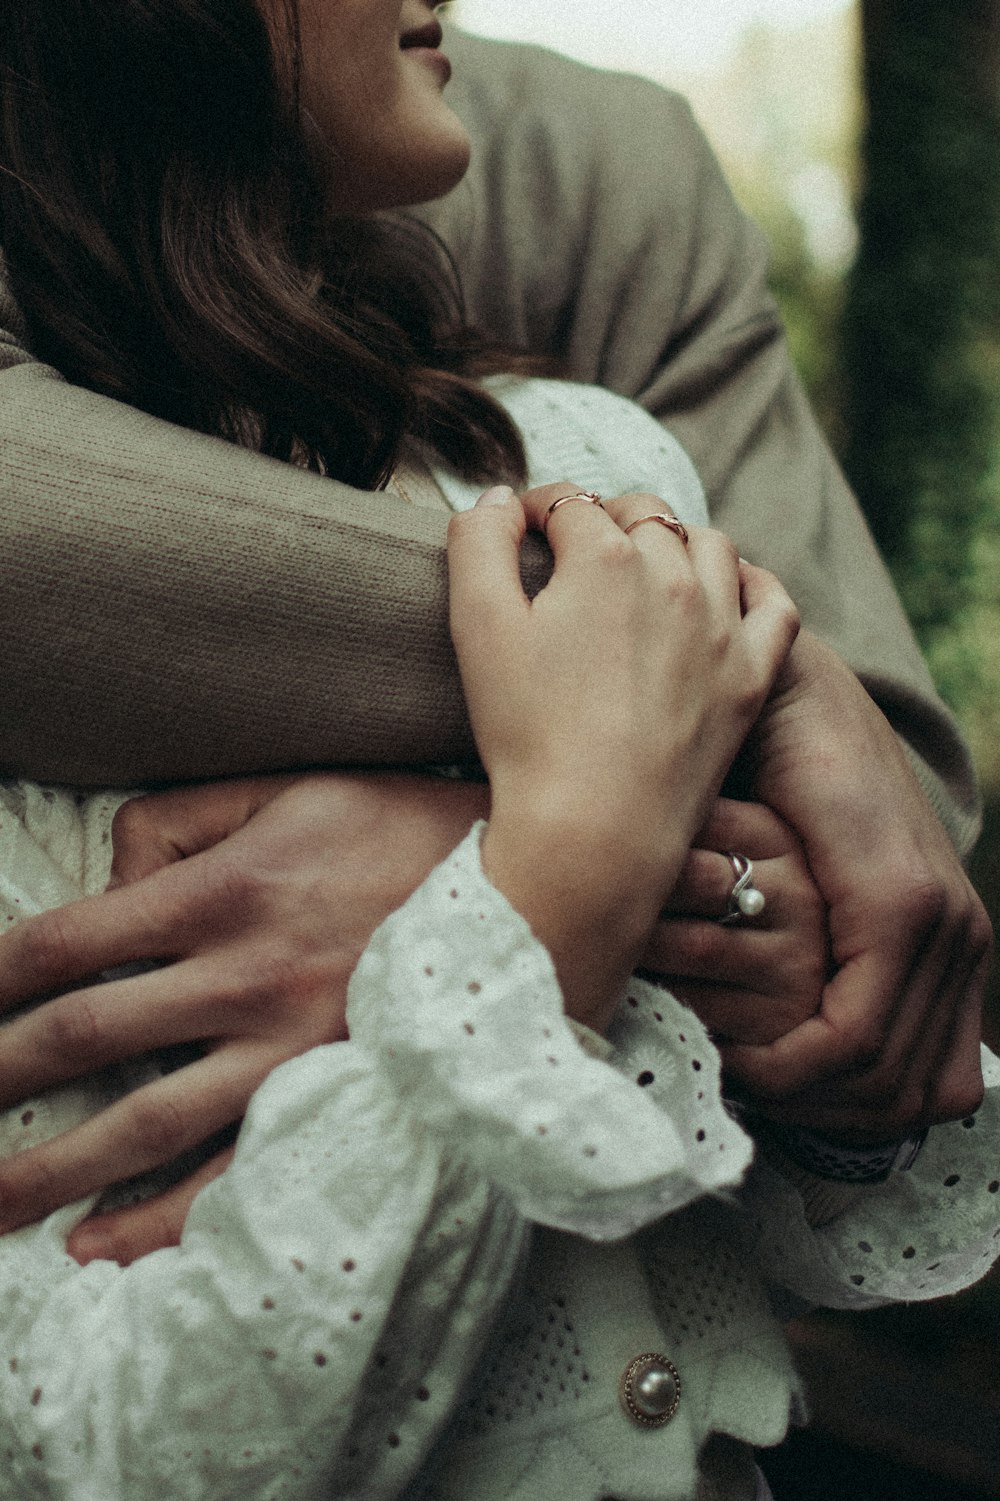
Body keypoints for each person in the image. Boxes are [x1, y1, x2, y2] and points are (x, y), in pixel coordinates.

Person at [0, 4, 995, 1494]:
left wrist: (758, 997)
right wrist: (551, 885)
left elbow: (850, 1155)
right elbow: (98, 1449)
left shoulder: (594, 462)